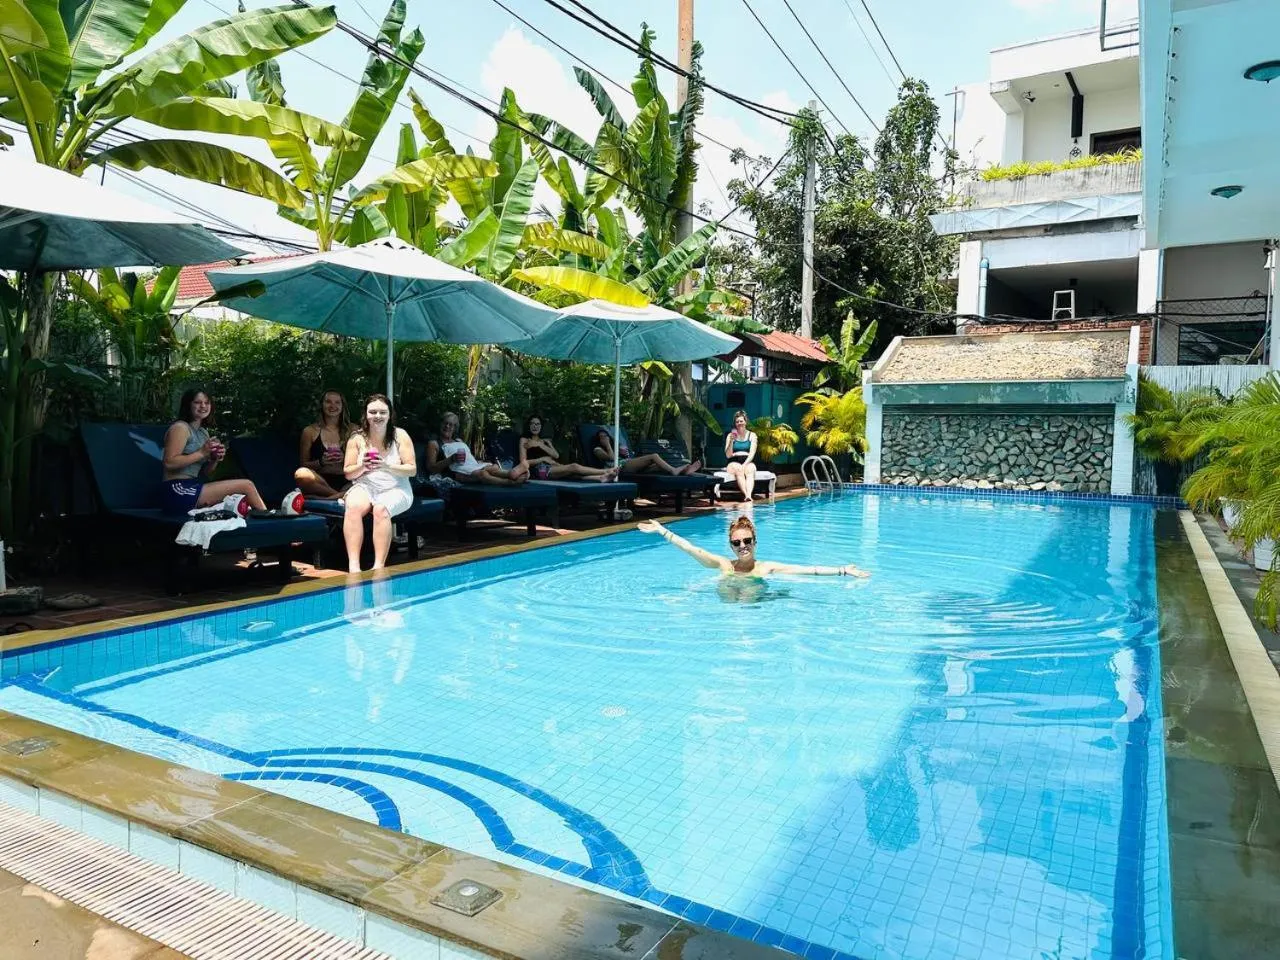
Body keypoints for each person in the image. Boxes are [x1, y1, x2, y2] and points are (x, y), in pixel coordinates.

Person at [638, 515, 869, 578]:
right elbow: (691, 549)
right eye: (737, 543)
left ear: (755, 542)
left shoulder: (765, 568)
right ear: (731, 546)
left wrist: (841, 570)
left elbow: (807, 569)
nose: (743, 546)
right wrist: (662, 531)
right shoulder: (724, 565)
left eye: (747, 541)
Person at [161, 388, 266, 515]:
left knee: (239, 501)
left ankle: (263, 523)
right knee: (246, 485)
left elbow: (206, 472)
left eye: (207, 402)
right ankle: (271, 522)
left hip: (194, 486)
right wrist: (201, 453)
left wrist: (214, 459)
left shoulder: (203, 433)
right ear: (188, 405)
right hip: (177, 489)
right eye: (197, 402)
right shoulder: (180, 428)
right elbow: (169, 462)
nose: (203, 406)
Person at [343, 394, 417, 573]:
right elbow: (347, 473)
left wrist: (387, 466)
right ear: (366, 415)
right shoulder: (357, 438)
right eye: (373, 412)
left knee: (380, 509)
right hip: (366, 485)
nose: (378, 416)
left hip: (396, 487)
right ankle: (354, 567)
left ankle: (378, 567)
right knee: (352, 507)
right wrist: (363, 466)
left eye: (383, 412)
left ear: (390, 414)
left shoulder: (400, 435)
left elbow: (412, 469)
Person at [426, 412, 528, 485]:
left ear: (454, 428)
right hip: (456, 473)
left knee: (493, 467)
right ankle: (509, 482)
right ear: (440, 424)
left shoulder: (459, 441)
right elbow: (431, 468)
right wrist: (451, 459)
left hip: (471, 467)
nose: (448, 426)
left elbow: (469, 460)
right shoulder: (434, 443)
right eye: (445, 423)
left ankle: (512, 473)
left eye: (451, 425)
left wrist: (478, 462)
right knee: (482, 473)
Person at [519, 416, 618, 481]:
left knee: (574, 475)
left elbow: (556, 455)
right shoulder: (524, 440)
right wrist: (543, 459)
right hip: (538, 470)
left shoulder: (544, 441)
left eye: (537, 424)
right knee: (574, 467)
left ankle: (600, 478)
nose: (535, 426)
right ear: (528, 425)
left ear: (541, 426)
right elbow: (523, 463)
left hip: (553, 467)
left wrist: (540, 445)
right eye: (532, 423)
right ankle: (606, 471)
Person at [294, 389, 353, 498]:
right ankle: (338, 496)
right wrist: (321, 462)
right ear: (322, 405)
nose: (332, 406)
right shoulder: (310, 431)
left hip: (347, 481)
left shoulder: (353, 430)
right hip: (320, 482)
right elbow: (304, 464)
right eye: (328, 402)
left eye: (337, 402)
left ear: (342, 406)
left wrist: (345, 459)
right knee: (301, 473)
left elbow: (362, 462)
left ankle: (331, 498)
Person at [591, 428, 701, 476]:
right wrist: (608, 445)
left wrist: (622, 451)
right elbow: (611, 458)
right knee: (654, 456)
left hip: (627, 463)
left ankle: (684, 471)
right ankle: (674, 471)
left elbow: (626, 456)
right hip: (619, 468)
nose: (604, 438)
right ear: (598, 440)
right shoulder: (597, 449)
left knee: (658, 466)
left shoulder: (614, 447)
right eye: (601, 437)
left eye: (606, 436)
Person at [723, 409, 759, 501]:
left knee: (750, 469)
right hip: (733, 461)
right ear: (735, 424)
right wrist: (731, 441)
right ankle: (746, 495)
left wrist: (745, 464)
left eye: (741, 421)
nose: (739, 423)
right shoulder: (730, 435)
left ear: (745, 422)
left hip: (747, 460)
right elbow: (728, 455)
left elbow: (752, 453)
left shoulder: (752, 435)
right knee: (739, 469)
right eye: (737, 422)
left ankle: (749, 495)